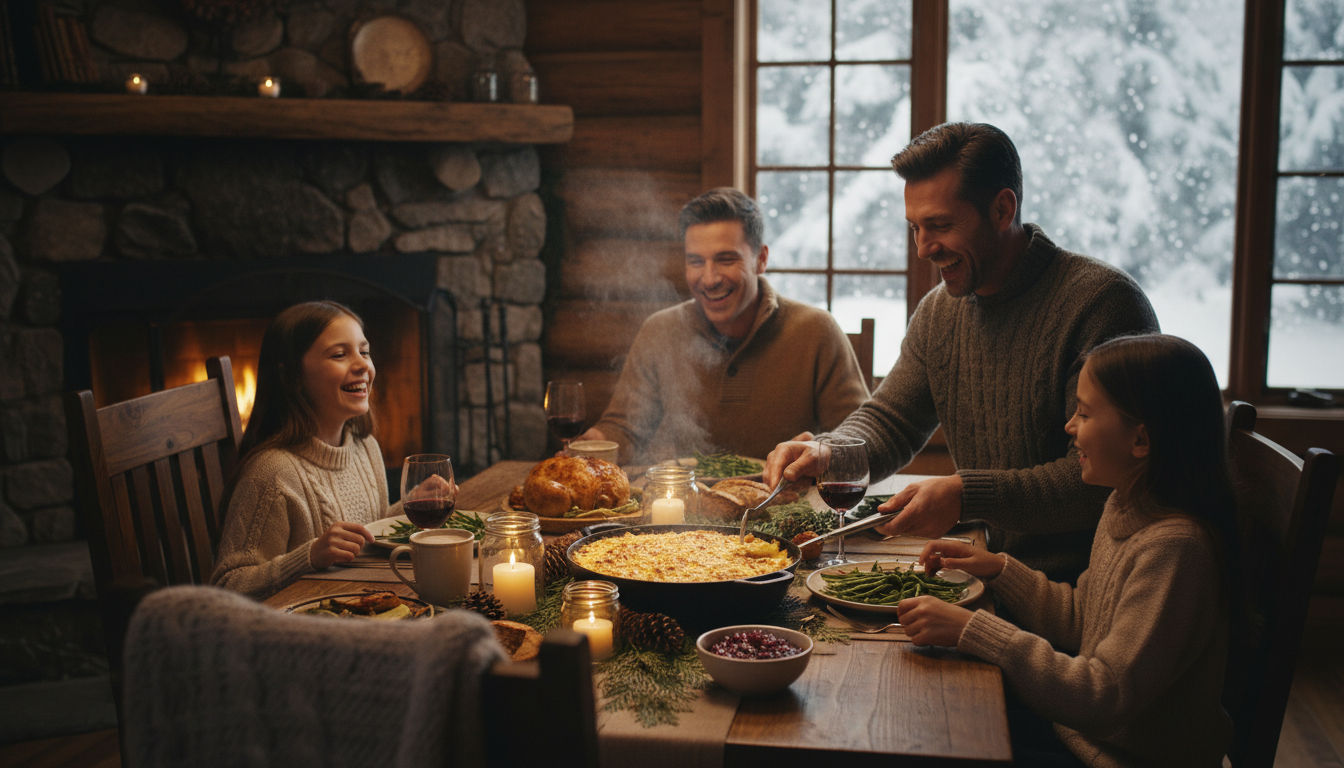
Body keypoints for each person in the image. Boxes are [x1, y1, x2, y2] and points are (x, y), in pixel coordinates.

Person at [764, 123, 1159, 583]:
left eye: (940, 226)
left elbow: (1104, 479)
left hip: (1086, 590)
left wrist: (966, 496)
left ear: (1002, 209)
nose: (922, 249)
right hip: (992, 572)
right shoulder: (940, 312)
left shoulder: (1102, 304)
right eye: (915, 228)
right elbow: (892, 420)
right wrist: (829, 452)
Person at [897, 334, 1235, 767]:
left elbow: (1104, 696)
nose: (1069, 427)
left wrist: (977, 630)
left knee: (927, 739)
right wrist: (1000, 570)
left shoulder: (1175, 550)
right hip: (1079, 737)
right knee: (932, 720)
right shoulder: (1125, 504)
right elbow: (1082, 619)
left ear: (1141, 440)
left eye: (1084, 413)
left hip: (1113, 756)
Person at [576, 187, 870, 464]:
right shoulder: (660, 331)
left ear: (761, 259)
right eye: (695, 261)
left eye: (726, 259)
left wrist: (820, 452)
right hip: (685, 497)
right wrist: (593, 444)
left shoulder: (816, 331)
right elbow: (624, 429)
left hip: (786, 497)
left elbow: (859, 439)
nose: (709, 279)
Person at [211, 301, 406, 598]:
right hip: (302, 623)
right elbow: (227, 586)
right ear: (292, 377)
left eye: (364, 352)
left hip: (363, 602)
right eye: (339, 354)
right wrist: (309, 557)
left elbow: (369, 533)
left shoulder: (364, 446)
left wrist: (411, 506)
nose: (363, 365)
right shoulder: (272, 474)